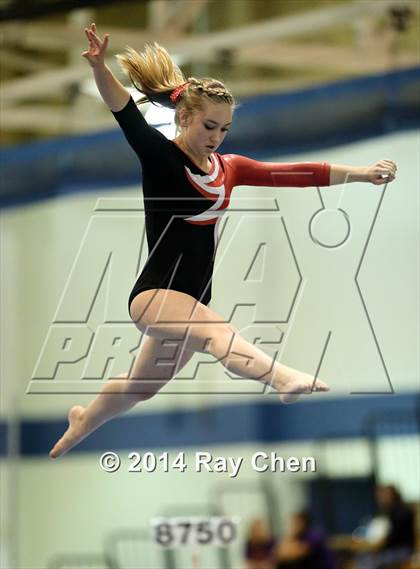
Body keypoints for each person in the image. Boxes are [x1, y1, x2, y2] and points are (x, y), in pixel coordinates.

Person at [49, 23, 397, 459]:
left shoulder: (227, 167)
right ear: (184, 117)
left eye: (224, 130)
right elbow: (124, 110)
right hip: (156, 294)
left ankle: (84, 421)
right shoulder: (160, 157)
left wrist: (361, 174)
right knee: (218, 333)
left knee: (140, 389)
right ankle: (281, 377)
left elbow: (291, 174)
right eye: (209, 126)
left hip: (193, 299)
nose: (216, 137)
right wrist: (100, 67)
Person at [356, 484, 416, 569]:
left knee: (369, 562)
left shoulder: (401, 512)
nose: (380, 498)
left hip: (402, 550)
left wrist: (379, 547)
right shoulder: (390, 511)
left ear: (392, 495)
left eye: (383, 494)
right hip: (394, 549)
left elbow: (395, 537)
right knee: (364, 558)